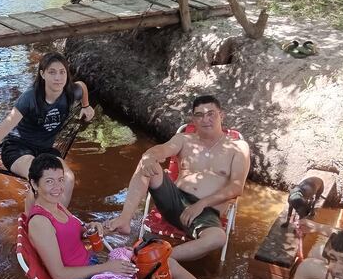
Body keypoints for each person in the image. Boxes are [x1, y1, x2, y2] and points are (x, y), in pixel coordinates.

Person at [26, 154, 222, 279]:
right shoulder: (40, 222)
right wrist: (107, 266)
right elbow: (59, 274)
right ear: (34, 184)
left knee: (165, 261)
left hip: (98, 273)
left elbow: (73, 239)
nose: (58, 187)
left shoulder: (57, 206)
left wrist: (90, 229)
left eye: (60, 180)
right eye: (49, 182)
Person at [105, 94, 251, 262]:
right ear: (193, 119)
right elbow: (162, 149)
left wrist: (201, 204)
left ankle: (156, 258)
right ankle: (124, 220)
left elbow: (236, 187)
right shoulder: (184, 139)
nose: (206, 119)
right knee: (147, 163)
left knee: (217, 238)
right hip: (174, 200)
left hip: (205, 212)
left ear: (221, 115)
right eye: (199, 115)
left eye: (211, 113)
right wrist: (149, 156)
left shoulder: (238, 147)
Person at [0, 52, 95, 210]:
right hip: (18, 149)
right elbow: (7, 124)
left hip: (45, 150)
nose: (58, 77)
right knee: (40, 178)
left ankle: (57, 218)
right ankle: (32, 222)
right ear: (42, 74)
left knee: (68, 178)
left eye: (62, 72)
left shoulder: (69, 92)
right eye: (52, 72)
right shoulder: (30, 97)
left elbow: (82, 87)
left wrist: (86, 105)